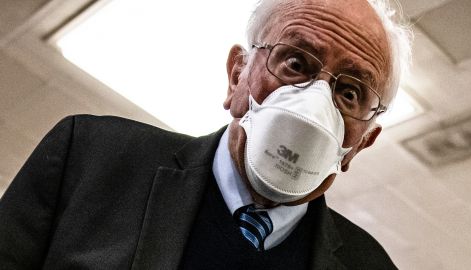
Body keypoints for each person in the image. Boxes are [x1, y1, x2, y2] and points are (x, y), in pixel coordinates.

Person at [0, 0, 412, 269]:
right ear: (237, 76)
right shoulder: (91, 157)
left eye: (349, 92)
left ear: (360, 143)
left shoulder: (369, 265)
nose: (314, 105)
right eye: (296, 64)